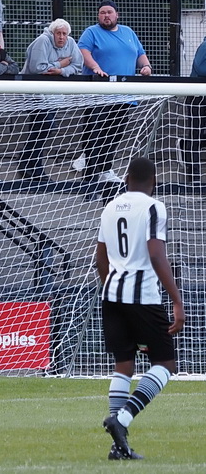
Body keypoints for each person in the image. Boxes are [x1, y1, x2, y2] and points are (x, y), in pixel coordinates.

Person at [95, 157, 185, 460]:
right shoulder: (153, 207)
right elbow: (157, 255)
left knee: (124, 365)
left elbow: (101, 258)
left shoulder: (110, 206)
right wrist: (176, 299)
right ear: (154, 180)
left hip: (112, 294)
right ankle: (120, 421)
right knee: (165, 365)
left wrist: (113, 286)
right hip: (143, 296)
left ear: (126, 178)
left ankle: (117, 446)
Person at [75, 0, 152, 191]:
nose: (106, 16)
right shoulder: (91, 32)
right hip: (99, 94)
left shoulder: (128, 33)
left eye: (109, 12)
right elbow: (83, 52)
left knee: (114, 134)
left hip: (124, 95)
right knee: (95, 136)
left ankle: (106, 170)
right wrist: (95, 67)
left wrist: (146, 66)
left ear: (117, 15)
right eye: (102, 13)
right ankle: (90, 178)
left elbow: (140, 54)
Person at [18, 18, 83, 181]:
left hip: (52, 95)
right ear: (52, 33)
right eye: (58, 33)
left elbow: (78, 65)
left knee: (43, 128)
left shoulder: (71, 43)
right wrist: (60, 64)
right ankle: (31, 165)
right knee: (44, 125)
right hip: (34, 92)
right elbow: (37, 68)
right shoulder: (42, 41)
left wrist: (60, 71)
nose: (61, 37)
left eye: (64, 34)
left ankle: (29, 165)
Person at [181, 36, 206, 184]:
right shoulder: (204, 46)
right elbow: (200, 67)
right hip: (197, 97)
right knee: (195, 134)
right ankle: (194, 177)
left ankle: (184, 146)